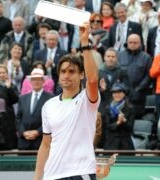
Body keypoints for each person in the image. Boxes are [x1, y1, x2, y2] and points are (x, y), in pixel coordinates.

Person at [34, 22, 100, 180]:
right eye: (63, 71)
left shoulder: (87, 99)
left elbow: (93, 80)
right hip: (51, 175)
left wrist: (84, 43)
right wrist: (37, 177)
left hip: (80, 172)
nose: (66, 75)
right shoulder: (49, 106)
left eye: (72, 71)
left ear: (81, 75)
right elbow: (45, 144)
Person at [16, 68, 53, 150]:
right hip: (24, 142)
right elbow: (18, 118)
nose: (36, 81)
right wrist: (23, 132)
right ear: (30, 81)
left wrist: (38, 132)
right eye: (34, 79)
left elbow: (51, 119)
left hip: (41, 142)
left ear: (43, 81)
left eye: (39, 79)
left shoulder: (51, 98)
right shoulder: (23, 98)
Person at [118, 33, 152, 118]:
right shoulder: (120, 55)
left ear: (140, 43)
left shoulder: (146, 57)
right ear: (127, 43)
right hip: (123, 94)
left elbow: (149, 75)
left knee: (136, 117)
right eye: (130, 42)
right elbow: (117, 73)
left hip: (139, 94)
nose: (132, 44)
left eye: (135, 42)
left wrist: (139, 88)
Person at [0, 65, 19, 149]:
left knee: (9, 140)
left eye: (3, 72)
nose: (1, 74)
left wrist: (9, 88)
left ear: (7, 74)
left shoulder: (11, 85)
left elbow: (16, 99)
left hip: (8, 116)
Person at [103, 82, 135, 150]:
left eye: (119, 92)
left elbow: (130, 127)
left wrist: (124, 120)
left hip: (126, 143)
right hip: (111, 143)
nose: (117, 95)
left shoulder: (130, 108)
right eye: (114, 93)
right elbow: (108, 126)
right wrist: (118, 122)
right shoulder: (108, 109)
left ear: (124, 94)